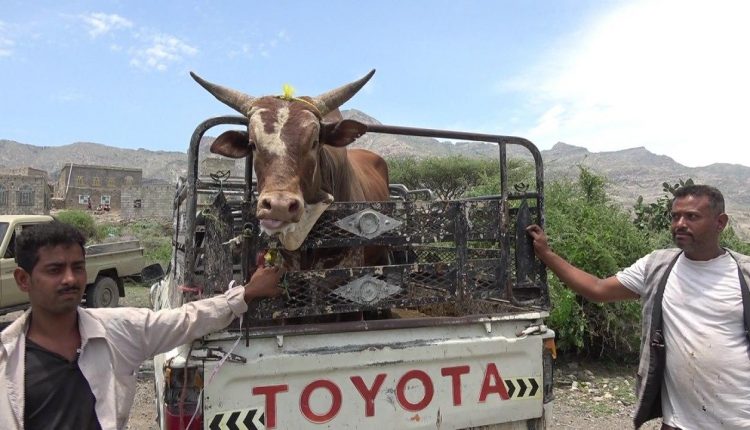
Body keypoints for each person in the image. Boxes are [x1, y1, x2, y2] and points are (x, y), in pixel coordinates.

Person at [0, 221, 282, 430]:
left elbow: (185, 319)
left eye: (77, 267)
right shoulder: (6, 361)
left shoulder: (116, 330)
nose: (70, 279)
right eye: (54, 270)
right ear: (23, 279)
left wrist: (246, 293)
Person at [527, 184, 750, 430]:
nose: (680, 224)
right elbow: (598, 289)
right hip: (679, 423)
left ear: (720, 222)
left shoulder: (743, 274)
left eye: (692, 216)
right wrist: (546, 254)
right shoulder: (658, 267)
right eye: (675, 216)